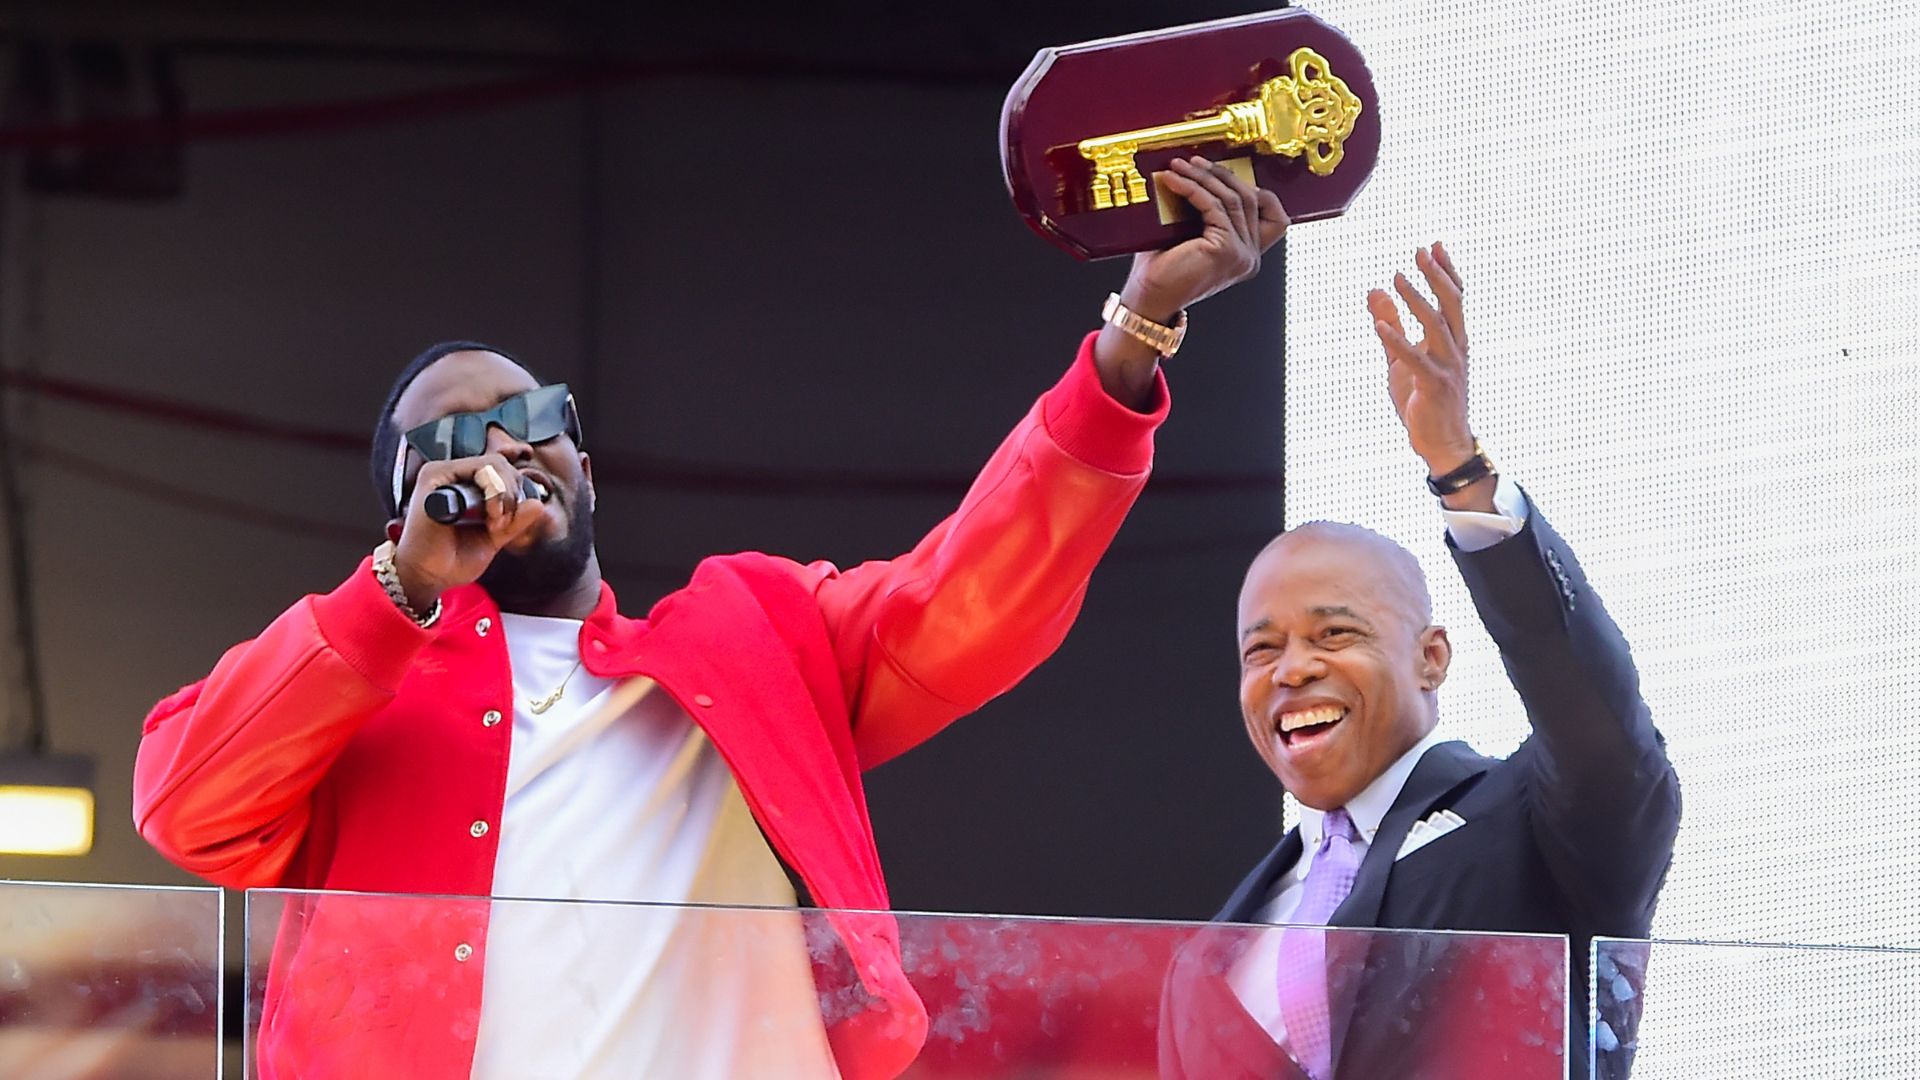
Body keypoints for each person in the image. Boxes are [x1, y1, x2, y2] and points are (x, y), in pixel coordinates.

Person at [132, 156, 1286, 1080]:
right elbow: (186, 803)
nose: (500, 443)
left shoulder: (753, 632)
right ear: (406, 514)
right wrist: (398, 596)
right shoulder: (355, 696)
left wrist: (1132, 338)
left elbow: (974, 599)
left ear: (583, 457)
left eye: (530, 411)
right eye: (446, 442)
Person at [1158, 243, 1681, 1080]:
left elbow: (1598, 728)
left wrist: (1462, 475)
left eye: (1333, 635)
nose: (1291, 670)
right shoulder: (1210, 953)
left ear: (1431, 659)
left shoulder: (1535, 824)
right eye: (1264, 650)